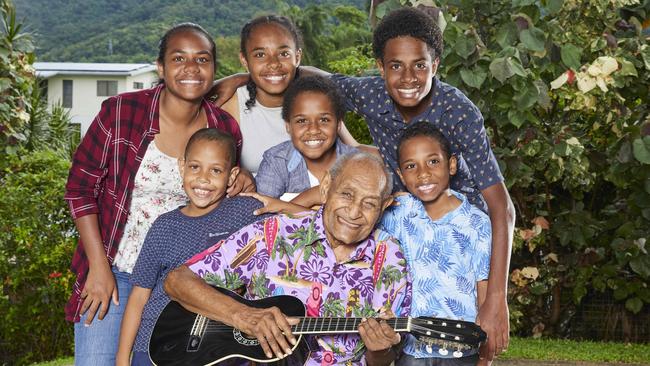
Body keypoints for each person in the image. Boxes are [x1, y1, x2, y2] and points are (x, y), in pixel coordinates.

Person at [64, 23, 254, 366]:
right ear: (160, 66)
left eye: (203, 59)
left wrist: (246, 180)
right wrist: (98, 267)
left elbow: (222, 198)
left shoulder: (224, 129)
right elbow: (80, 188)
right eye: (178, 58)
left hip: (184, 280)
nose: (191, 68)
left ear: (213, 67)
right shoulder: (121, 113)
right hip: (116, 270)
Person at [164, 152, 411, 366]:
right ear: (326, 187)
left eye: (369, 204)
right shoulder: (273, 234)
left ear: (384, 205)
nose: (354, 212)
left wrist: (380, 350)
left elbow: (382, 359)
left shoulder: (389, 258)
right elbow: (177, 281)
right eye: (347, 194)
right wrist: (242, 315)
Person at [115, 128, 268, 366]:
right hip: (154, 343)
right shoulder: (164, 226)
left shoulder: (244, 211)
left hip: (217, 345)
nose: (203, 178)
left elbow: (292, 229)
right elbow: (139, 296)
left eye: (216, 170)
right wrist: (122, 358)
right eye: (195, 167)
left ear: (231, 175)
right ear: (182, 166)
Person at [380, 122, 491, 365]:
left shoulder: (477, 223)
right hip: (411, 350)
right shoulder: (398, 214)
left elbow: (483, 289)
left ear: (451, 164)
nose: (423, 173)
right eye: (411, 166)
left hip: (462, 350)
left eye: (433, 161)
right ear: (400, 175)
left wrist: (485, 355)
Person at [220, 15, 302, 174]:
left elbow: (350, 149)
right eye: (260, 55)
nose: (273, 64)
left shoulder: (317, 100)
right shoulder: (232, 107)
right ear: (244, 61)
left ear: (297, 57)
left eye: (284, 53)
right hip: (253, 197)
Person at [255, 75, 357, 203]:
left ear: (338, 125)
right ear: (288, 126)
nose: (313, 129)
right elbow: (261, 218)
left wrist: (294, 205)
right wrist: (311, 197)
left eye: (324, 120)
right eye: (302, 121)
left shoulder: (357, 163)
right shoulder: (276, 161)